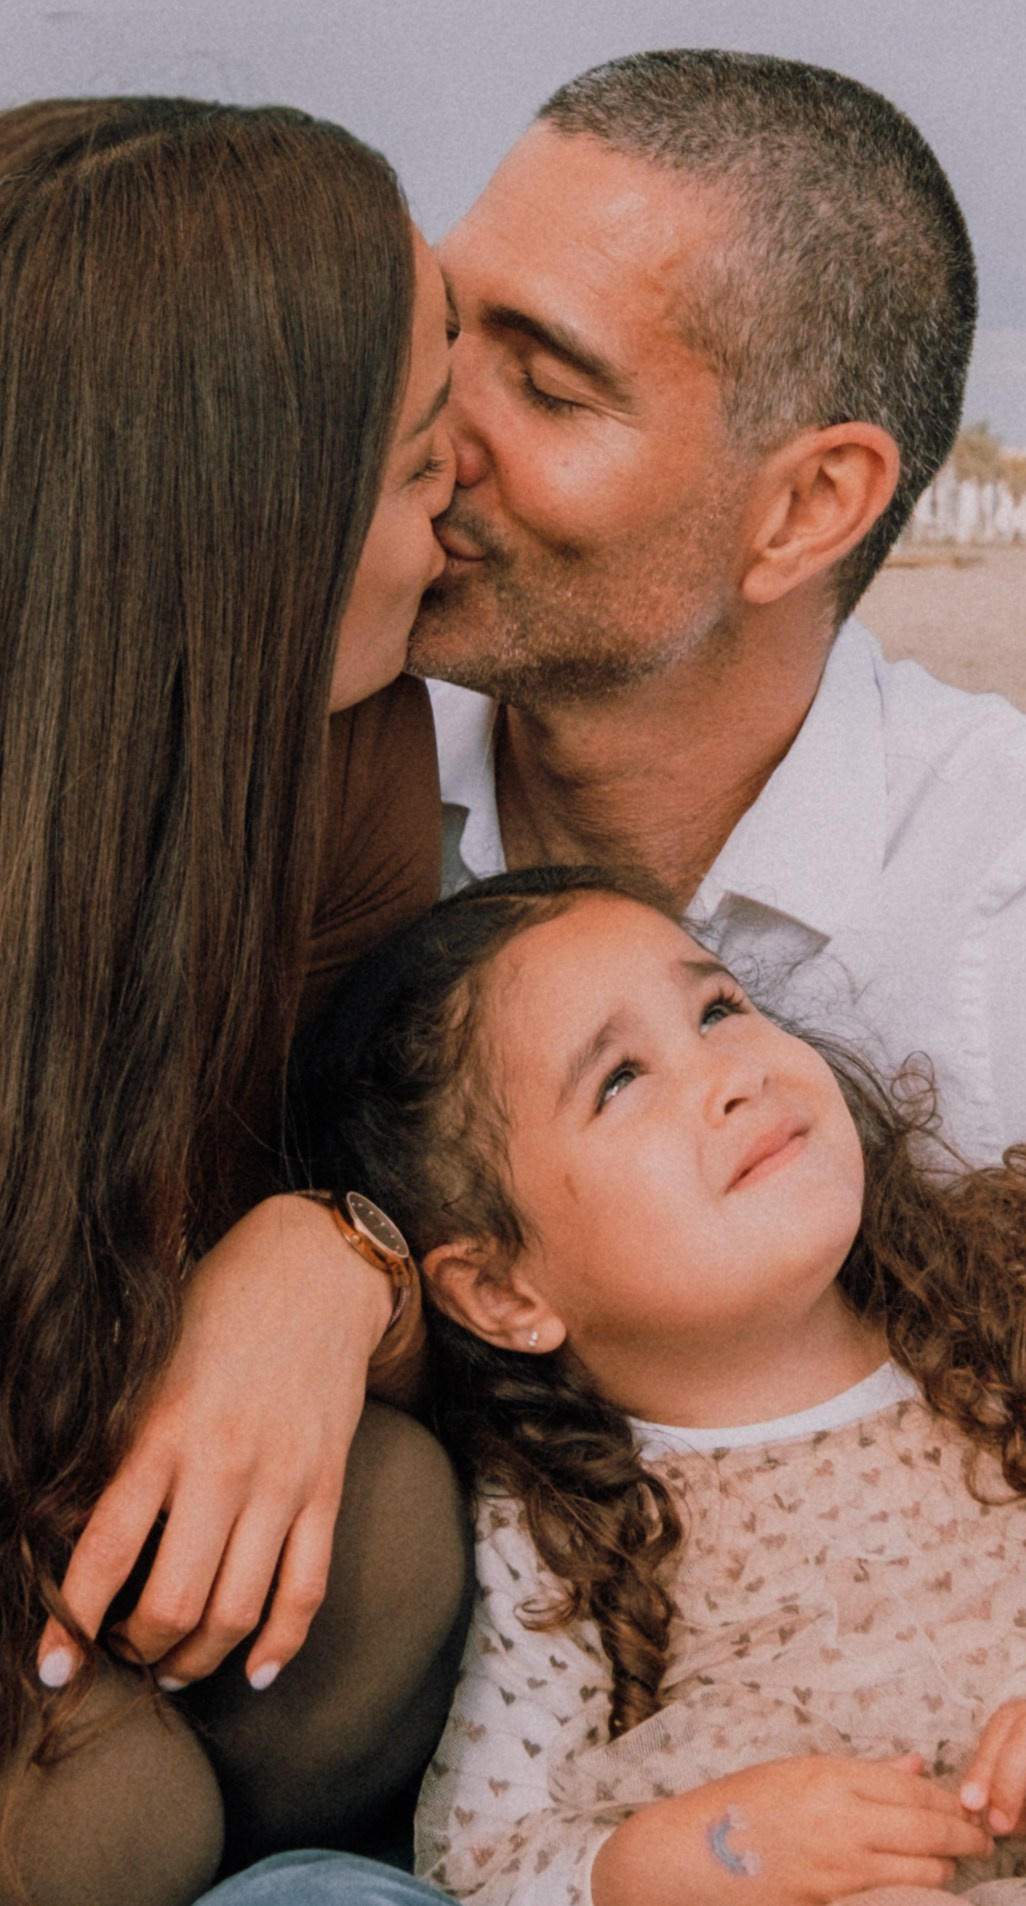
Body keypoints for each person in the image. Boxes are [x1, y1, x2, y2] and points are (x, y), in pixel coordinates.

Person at [413, 49, 1026, 1424]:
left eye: (549, 388)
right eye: (444, 334)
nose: (430, 430)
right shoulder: (331, 760)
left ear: (807, 507)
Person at [208, 866, 1026, 1906]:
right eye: (619, 1078)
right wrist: (711, 1856)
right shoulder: (562, 1522)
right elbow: (487, 1863)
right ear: (500, 1288)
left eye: (718, 1007)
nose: (733, 1071)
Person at [0, 96, 468, 1906]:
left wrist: (329, 1256)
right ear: (239, 516)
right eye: (424, 464)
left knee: (390, 1537)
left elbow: (423, 1197)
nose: (459, 522)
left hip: (83, 1445)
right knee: (92, 1813)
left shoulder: (341, 745)